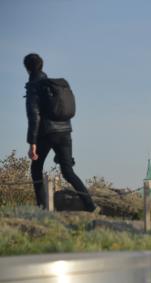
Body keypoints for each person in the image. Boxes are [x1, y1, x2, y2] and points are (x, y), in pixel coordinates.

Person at [24, 53, 97, 212]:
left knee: (36, 169)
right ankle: (91, 207)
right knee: (68, 171)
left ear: (27, 69)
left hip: (47, 133)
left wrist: (32, 143)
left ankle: (42, 209)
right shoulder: (55, 85)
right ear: (42, 66)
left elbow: (34, 117)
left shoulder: (34, 87)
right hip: (65, 131)